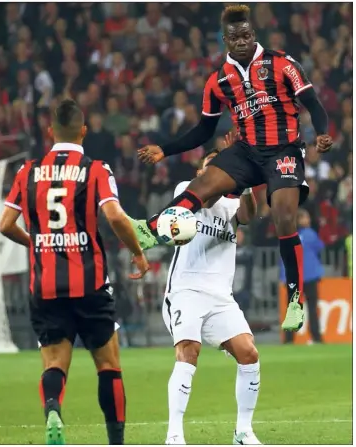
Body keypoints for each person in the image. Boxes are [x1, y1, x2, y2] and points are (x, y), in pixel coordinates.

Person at [136, 4, 333, 332]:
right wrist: (165, 151)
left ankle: (295, 299)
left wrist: (323, 134)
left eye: (245, 35)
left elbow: (312, 102)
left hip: (283, 150)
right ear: (225, 41)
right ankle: (149, 230)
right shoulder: (217, 81)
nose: (241, 41)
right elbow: (203, 130)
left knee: (284, 215)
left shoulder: (282, 64)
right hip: (245, 151)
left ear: (253, 35)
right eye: (234, 37)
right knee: (198, 187)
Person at [0, 99, 150, 445]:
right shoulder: (95, 169)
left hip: (46, 285)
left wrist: (37, 244)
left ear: (50, 132)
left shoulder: (28, 172)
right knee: (108, 365)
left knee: (54, 364)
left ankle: (53, 408)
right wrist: (137, 253)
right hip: (90, 282)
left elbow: (5, 224)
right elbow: (113, 216)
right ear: (83, 130)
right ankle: (116, 441)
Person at [162, 150, 261, 445]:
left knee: (249, 353)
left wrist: (242, 183)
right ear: (201, 171)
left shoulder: (233, 205)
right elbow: (200, 201)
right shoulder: (186, 191)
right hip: (186, 291)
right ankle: (174, 434)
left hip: (220, 296)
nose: (219, 172)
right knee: (189, 351)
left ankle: (243, 432)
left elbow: (249, 215)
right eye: (213, 167)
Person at [280, 209, 324, 344]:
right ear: (298, 220)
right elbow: (320, 247)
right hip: (310, 276)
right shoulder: (311, 234)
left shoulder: (289, 236)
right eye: (305, 218)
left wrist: (283, 277)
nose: (307, 220)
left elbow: (284, 257)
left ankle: (288, 340)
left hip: (295, 278)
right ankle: (316, 338)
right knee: (311, 308)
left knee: (293, 310)